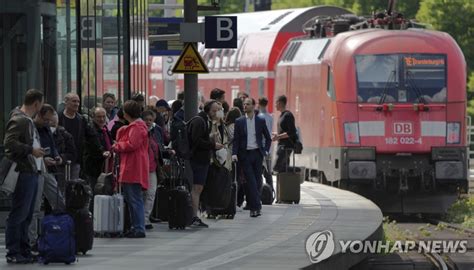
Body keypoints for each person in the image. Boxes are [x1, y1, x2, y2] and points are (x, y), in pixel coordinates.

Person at [3, 89, 45, 264]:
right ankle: (13, 251)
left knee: (26, 214)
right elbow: (9, 143)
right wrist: (31, 150)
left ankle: (23, 248)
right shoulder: (19, 119)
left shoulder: (26, 120)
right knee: (19, 213)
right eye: (41, 104)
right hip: (23, 172)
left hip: (31, 170)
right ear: (36, 103)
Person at [29, 104, 66, 249]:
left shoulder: (45, 128)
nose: (48, 123)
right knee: (35, 207)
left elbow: (52, 145)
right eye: (45, 120)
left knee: (59, 200)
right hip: (37, 169)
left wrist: (56, 156)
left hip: (47, 170)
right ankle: (32, 241)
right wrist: (43, 159)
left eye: (50, 120)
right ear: (38, 115)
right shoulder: (31, 127)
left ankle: (60, 232)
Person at [112, 100, 149, 238]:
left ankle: (139, 228)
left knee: (134, 198)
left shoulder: (137, 127)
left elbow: (131, 144)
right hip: (133, 166)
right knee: (133, 198)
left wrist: (117, 145)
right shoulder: (138, 126)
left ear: (127, 113)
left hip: (133, 167)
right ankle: (136, 226)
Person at [232, 98, 271, 218]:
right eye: (244, 104)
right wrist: (234, 153)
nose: (245, 106)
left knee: (258, 181)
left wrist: (265, 151)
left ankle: (255, 207)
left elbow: (268, 138)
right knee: (251, 181)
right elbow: (236, 140)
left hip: (257, 154)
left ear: (254, 106)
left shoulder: (260, 120)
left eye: (248, 104)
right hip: (245, 155)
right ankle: (255, 207)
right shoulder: (239, 121)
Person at [188, 100, 224, 227]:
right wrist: (213, 145)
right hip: (198, 159)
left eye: (217, 111)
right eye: (214, 111)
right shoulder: (200, 121)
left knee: (198, 188)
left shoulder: (205, 121)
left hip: (201, 159)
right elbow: (196, 141)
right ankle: (193, 216)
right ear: (207, 110)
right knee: (197, 188)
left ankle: (194, 215)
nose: (216, 113)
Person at [58, 93, 97, 180]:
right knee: (61, 186)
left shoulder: (81, 119)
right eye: (74, 101)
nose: (76, 104)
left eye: (78, 102)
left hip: (76, 159)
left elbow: (91, 136)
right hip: (61, 159)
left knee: (73, 185)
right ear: (66, 102)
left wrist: (101, 150)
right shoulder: (58, 117)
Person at [83, 107, 112, 196]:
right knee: (94, 190)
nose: (102, 119)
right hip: (94, 166)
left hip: (104, 165)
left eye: (103, 116)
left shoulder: (105, 129)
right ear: (93, 117)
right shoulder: (91, 129)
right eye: (99, 117)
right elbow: (94, 144)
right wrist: (103, 152)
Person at [142, 110, 161, 229]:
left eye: (150, 120)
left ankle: (145, 218)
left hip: (152, 167)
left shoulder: (153, 132)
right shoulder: (141, 132)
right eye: (146, 119)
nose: (148, 122)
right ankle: (141, 219)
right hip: (141, 167)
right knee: (142, 194)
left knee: (151, 193)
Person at [50, 112, 76, 193]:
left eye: (54, 125)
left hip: (59, 170)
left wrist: (61, 159)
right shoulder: (39, 133)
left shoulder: (65, 135)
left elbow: (73, 154)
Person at [272, 95, 299, 173]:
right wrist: (276, 134)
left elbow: (291, 132)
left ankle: (297, 170)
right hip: (281, 145)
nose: (275, 105)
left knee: (276, 167)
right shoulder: (281, 115)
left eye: (276, 103)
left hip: (286, 146)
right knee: (282, 169)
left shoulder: (288, 115)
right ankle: (285, 183)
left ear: (280, 103)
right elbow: (284, 131)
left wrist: (278, 136)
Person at [258, 97, 274, 188]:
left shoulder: (259, 117)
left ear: (259, 104)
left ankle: (259, 191)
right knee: (268, 172)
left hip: (260, 149)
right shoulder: (270, 117)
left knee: (258, 172)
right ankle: (270, 191)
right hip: (268, 149)